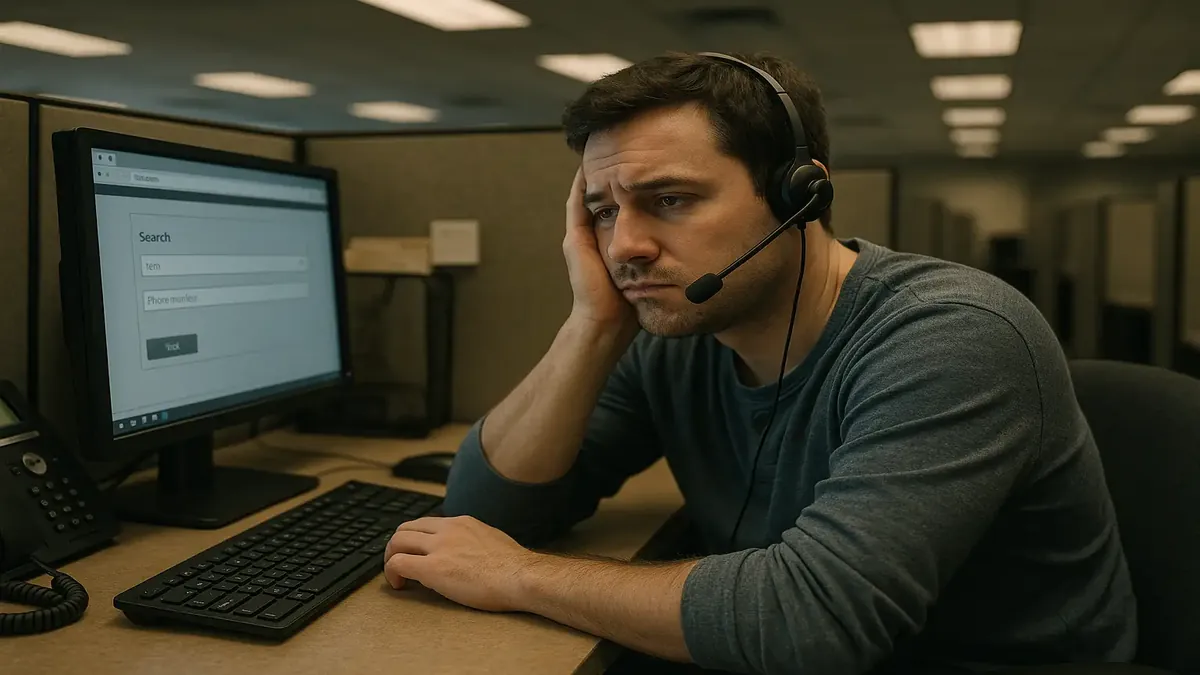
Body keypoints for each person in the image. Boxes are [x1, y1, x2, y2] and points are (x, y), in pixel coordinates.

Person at [382, 51, 1137, 675]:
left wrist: (520, 575)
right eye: (605, 211)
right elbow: (487, 509)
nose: (623, 246)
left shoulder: (952, 334)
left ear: (799, 193)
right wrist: (590, 324)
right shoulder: (679, 340)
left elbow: (812, 621)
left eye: (669, 199)